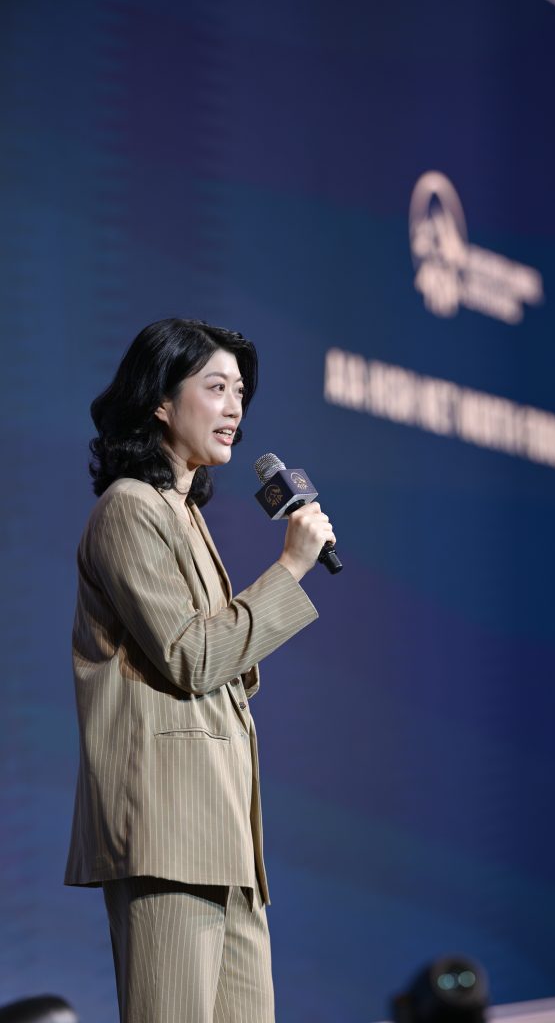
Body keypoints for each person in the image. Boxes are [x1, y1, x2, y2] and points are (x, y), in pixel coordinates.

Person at [64, 318, 334, 1023]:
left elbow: (217, 661)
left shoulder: (183, 512)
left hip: (225, 834)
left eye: (240, 392)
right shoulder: (129, 508)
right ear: (160, 400)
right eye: (215, 388)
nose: (234, 407)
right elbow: (195, 657)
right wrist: (290, 567)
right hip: (168, 830)